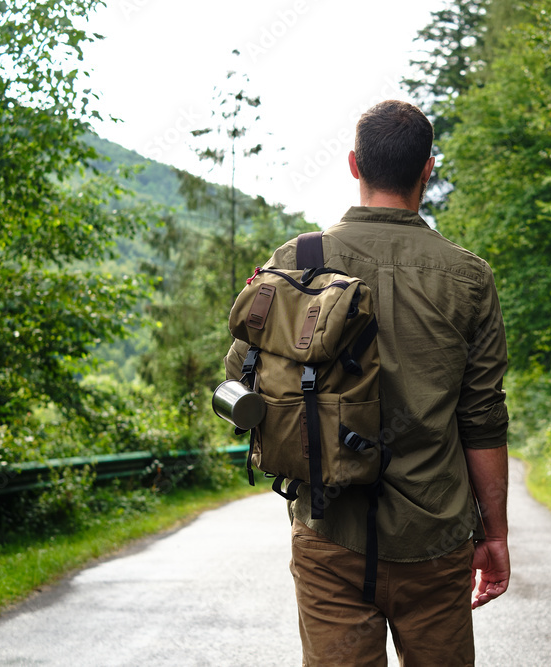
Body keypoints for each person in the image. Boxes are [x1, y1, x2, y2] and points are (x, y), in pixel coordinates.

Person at [224, 99, 510, 666]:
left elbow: (240, 377)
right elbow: (482, 418)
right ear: (428, 168)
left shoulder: (298, 260)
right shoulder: (469, 276)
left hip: (329, 529)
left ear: (354, 165)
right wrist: (494, 535)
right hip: (435, 535)